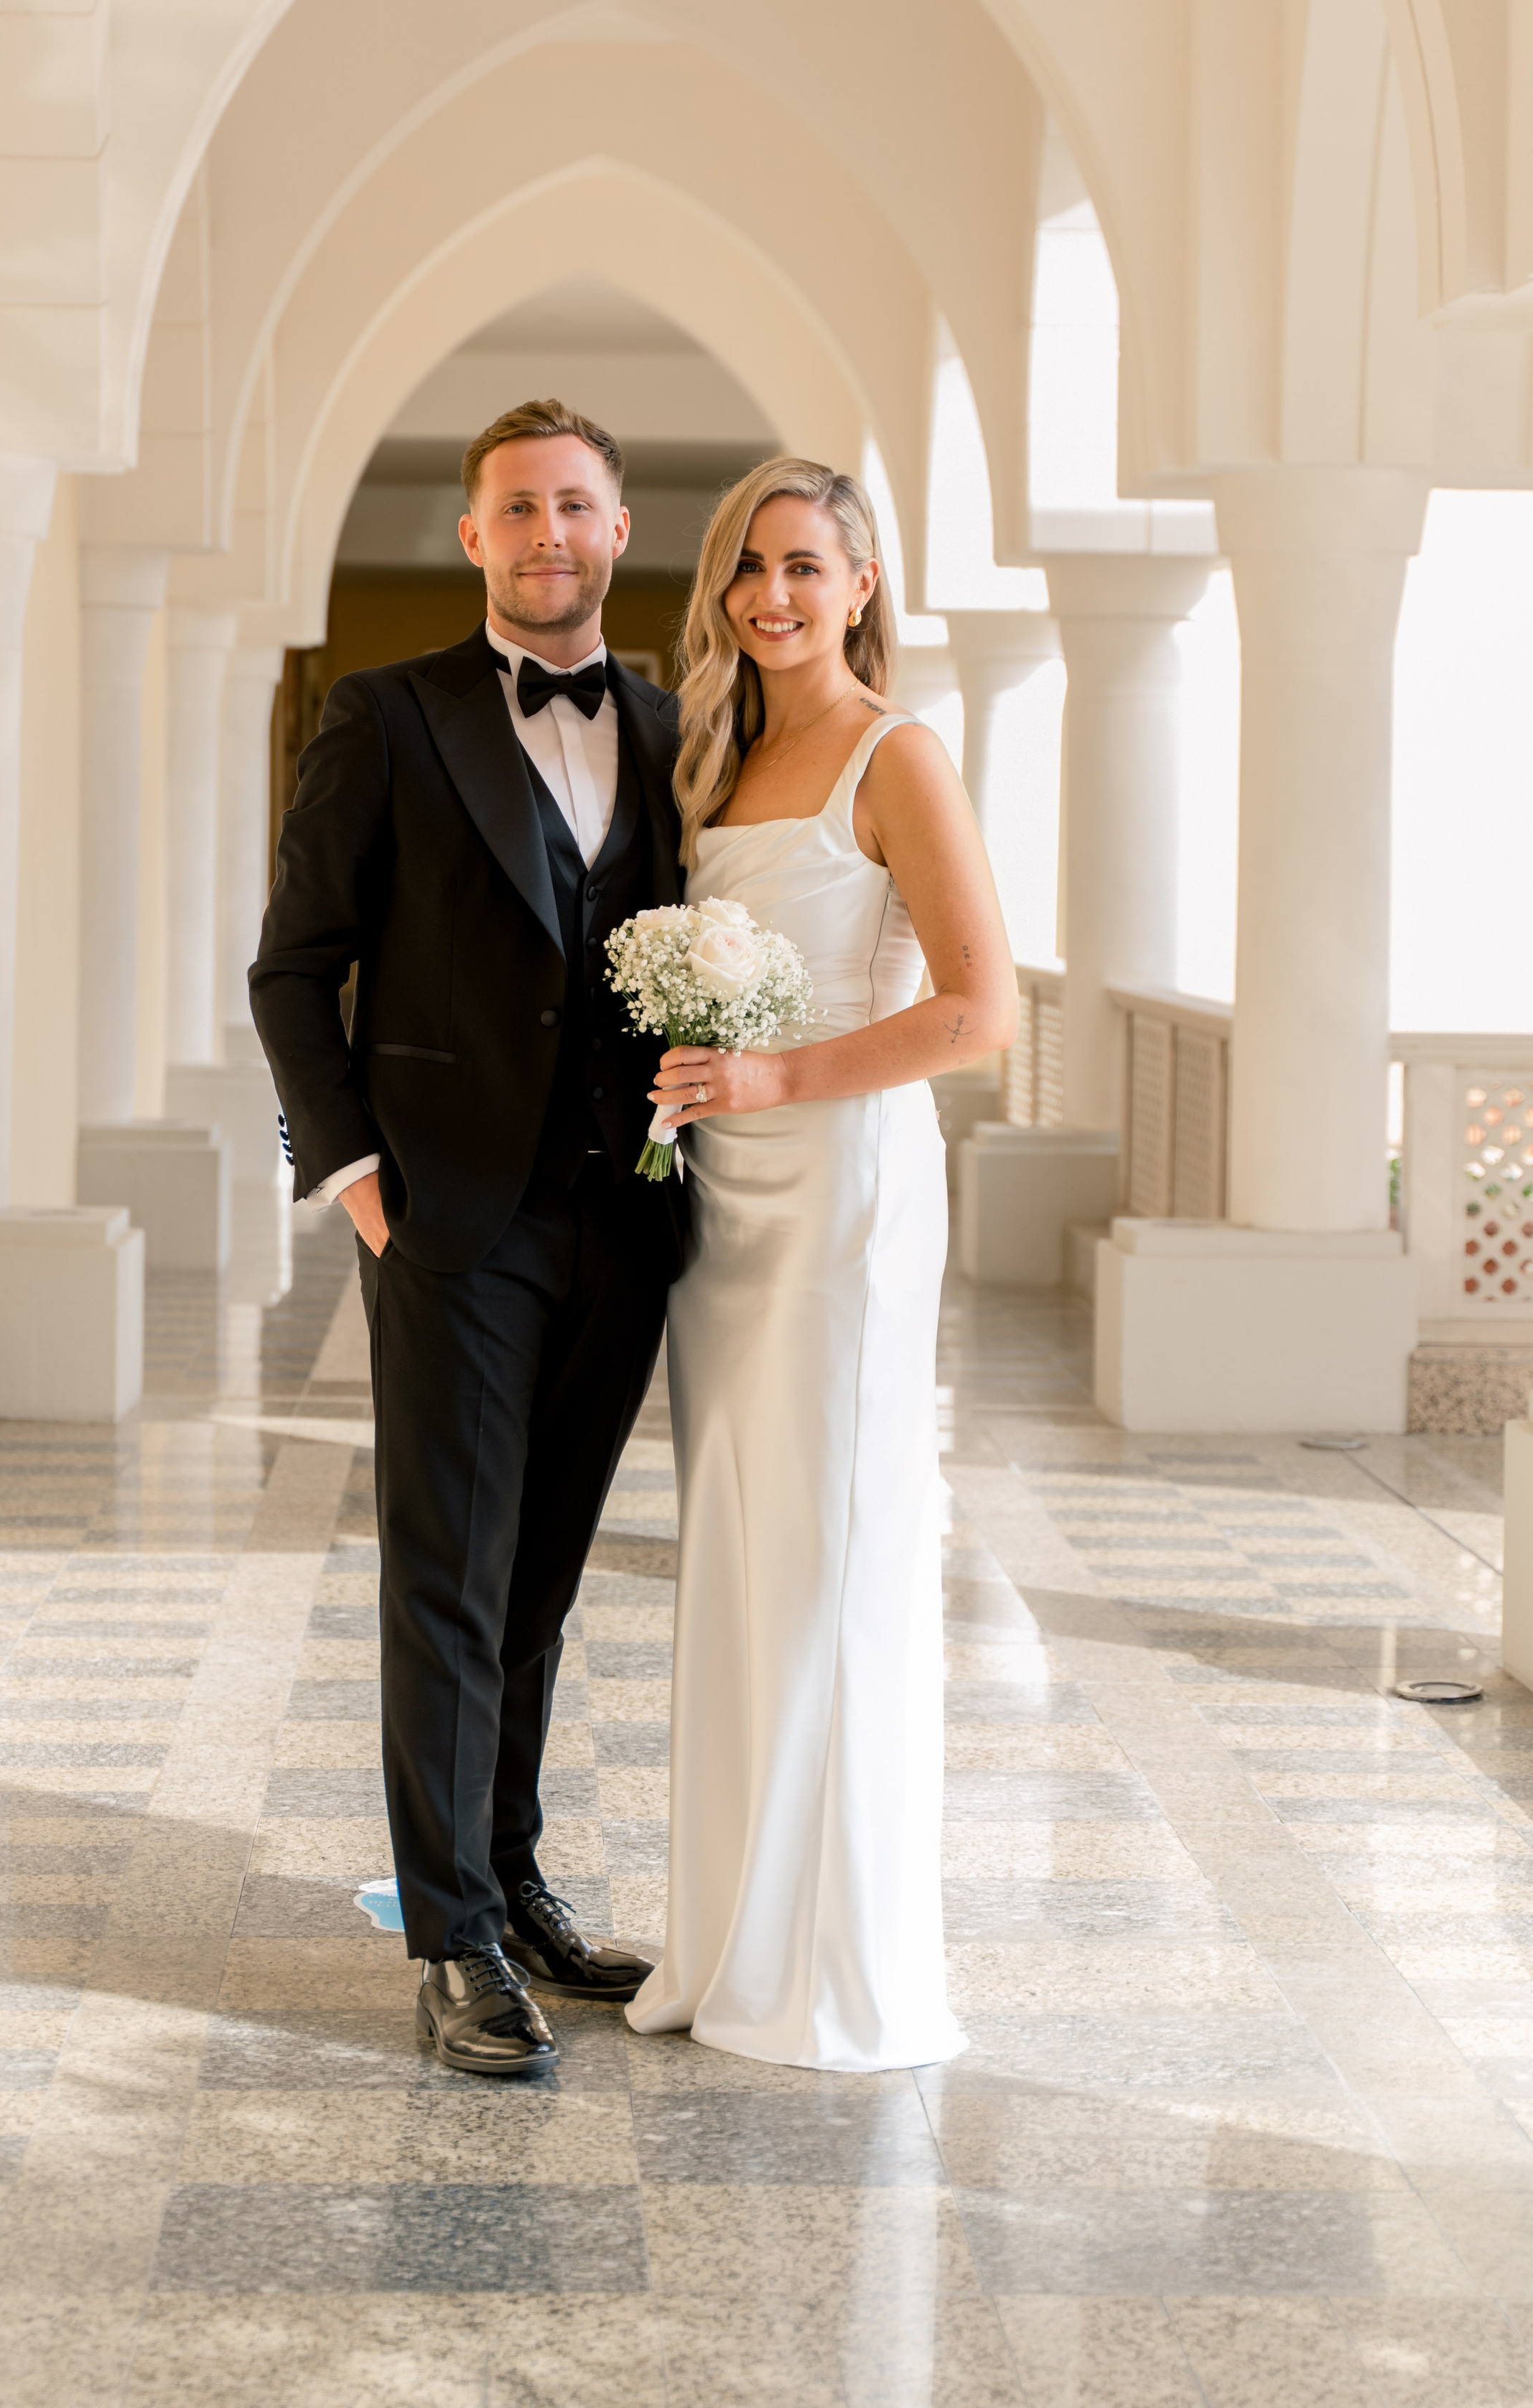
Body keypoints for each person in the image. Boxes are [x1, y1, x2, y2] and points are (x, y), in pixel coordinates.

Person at [250, 399, 685, 2077]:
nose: (547, 534)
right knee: (445, 1574)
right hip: (445, 1215)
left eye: (574, 504)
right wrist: (349, 1172)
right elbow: (291, 970)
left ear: (616, 526)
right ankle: (449, 1946)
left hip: (625, 1215)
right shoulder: (386, 716)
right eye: (517, 509)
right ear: (473, 536)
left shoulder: (667, 725)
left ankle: (508, 1879)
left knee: (542, 1578)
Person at [625, 455, 1016, 2072]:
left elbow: (979, 1012)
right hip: (722, 1205)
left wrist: (781, 1078)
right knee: (738, 1549)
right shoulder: (715, 758)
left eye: (802, 567)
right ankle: (729, 1939)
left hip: (842, 1194)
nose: (770, 596)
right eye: (744, 570)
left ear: (861, 583)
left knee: (831, 1557)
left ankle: (828, 1963)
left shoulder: (893, 754)